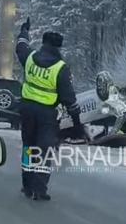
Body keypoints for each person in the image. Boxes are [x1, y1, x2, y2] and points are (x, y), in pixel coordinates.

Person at [16, 19, 84, 201]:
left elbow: (20, 46)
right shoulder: (61, 68)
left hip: (27, 110)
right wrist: (77, 123)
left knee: (29, 146)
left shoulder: (30, 57)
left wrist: (24, 31)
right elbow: (69, 99)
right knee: (44, 149)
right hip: (47, 114)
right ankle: (39, 189)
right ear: (59, 47)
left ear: (43, 43)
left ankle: (27, 186)